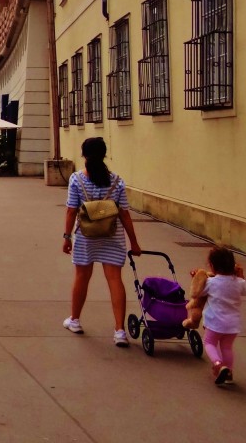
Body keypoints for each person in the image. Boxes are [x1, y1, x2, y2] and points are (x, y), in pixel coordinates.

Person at [62, 137, 141, 346]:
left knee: (82, 277)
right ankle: (119, 331)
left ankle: (75, 320)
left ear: (84, 155)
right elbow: (124, 214)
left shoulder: (76, 179)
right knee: (115, 280)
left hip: (85, 236)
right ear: (105, 154)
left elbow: (71, 211)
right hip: (112, 235)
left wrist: (66, 237)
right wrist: (134, 242)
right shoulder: (117, 181)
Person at [199, 245, 246, 385]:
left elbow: (200, 293)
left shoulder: (211, 282)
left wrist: (197, 279)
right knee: (227, 347)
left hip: (215, 322)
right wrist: (241, 277)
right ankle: (229, 373)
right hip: (233, 324)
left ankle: (218, 364)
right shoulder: (239, 283)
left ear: (212, 266)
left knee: (209, 343)